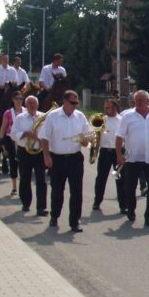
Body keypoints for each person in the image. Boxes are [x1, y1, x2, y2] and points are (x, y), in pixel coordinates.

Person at [38, 89, 90, 232]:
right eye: (72, 102)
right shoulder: (53, 116)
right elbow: (44, 137)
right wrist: (46, 156)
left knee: (77, 191)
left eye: (76, 103)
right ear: (65, 102)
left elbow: (86, 139)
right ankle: (54, 216)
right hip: (57, 158)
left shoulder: (80, 116)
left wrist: (85, 140)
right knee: (57, 190)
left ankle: (75, 221)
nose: (75, 105)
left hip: (75, 158)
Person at [115, 90, 149, 228]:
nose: (138, 103)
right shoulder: (127, 116)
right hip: (133, 157)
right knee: (130, 188)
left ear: (148, 101)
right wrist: (119, 154)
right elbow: (119, 136)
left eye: (141, 100)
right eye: (136, 101)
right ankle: (131, 210)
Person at [11, 96, 48, 216]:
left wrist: (43, 140)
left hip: (39, 151)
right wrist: (26, 133)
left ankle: (41, 207)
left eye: (34, 103)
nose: (32, 105)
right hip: (24, 151)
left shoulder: (44, 117)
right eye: (30, 103)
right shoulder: (20, 118)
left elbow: (50, 133)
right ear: (26, 106)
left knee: (41, 180)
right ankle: (26, 203)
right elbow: (13, 134)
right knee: (25, 178)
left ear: (37, 105)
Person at [92, 98, 124, 213]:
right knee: (101, 178)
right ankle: (97, 201)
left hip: (118, 151)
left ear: (114, 108)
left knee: (120, 179)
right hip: (105, 151)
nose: (105, 109)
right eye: (104, 107)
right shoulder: (102, 120)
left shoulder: (122, 120)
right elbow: (94, 135)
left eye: (108, 108)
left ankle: (123, 205)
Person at [0, 93, 24, 196]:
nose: (19, 100)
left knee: (24, 163)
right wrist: (1, 139)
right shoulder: (8, 113)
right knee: (13, 162)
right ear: (13, 99)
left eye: (21, 98)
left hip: (23, 140)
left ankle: (23, 185)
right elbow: (3, 127)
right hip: (11, 140)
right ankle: (14, 187)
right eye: (17, 98)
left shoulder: (26, 111)